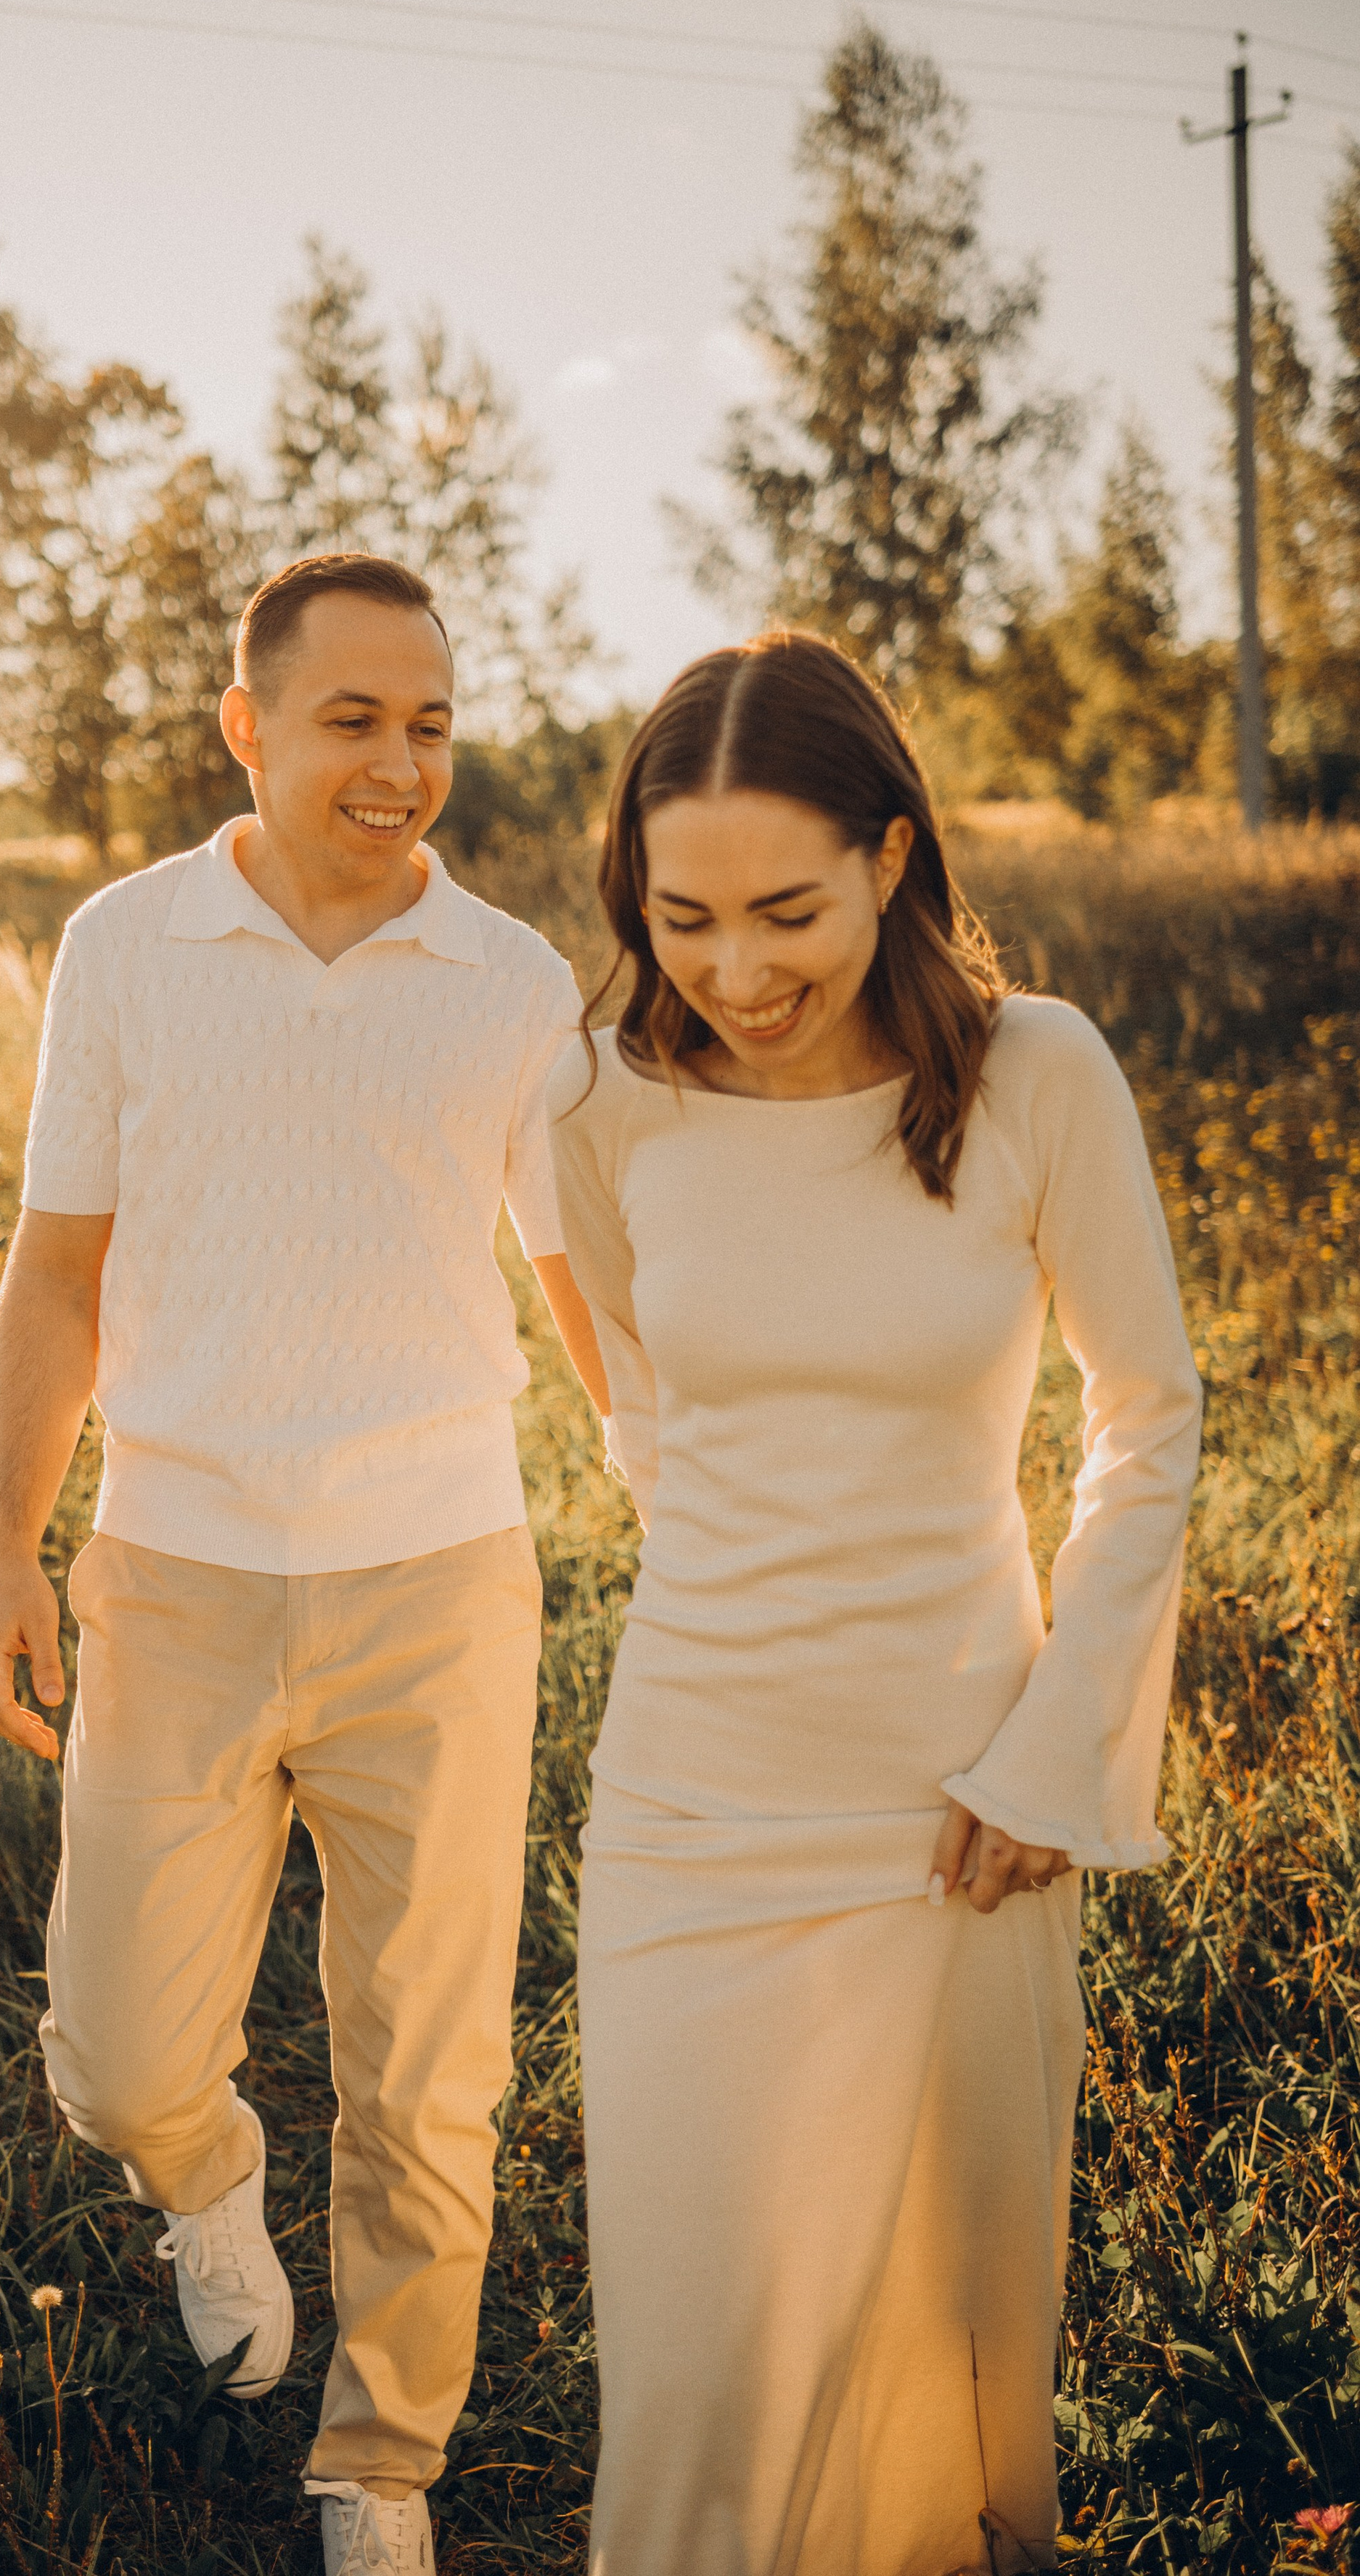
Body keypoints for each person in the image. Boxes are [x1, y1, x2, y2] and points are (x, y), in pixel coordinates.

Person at [0, 550, 607, 2576]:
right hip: (176, 1568)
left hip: (442, 1586)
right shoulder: (127, 948)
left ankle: (380, 2464)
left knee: (432, 2069)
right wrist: (11, 1556)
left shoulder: (510, 985)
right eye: (355, 720)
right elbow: (55, 1278)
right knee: (120, 2053)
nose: (403, 763)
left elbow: (591, 1291)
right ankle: (210, 2181)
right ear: (249, 726)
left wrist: (705, 1516)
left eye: (430, 722)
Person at [546, 632, 1202, 2576]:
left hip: (961, 1810)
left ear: (894, 858)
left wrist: (1052, 1751)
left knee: (943, 2335)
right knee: (691, 2361)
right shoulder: (602, 1104)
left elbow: (1150, 1415)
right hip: (688, 1802)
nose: (734, 974)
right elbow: (639, 1408)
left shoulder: (1035, 1078)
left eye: (786, 913)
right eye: (682, 920)